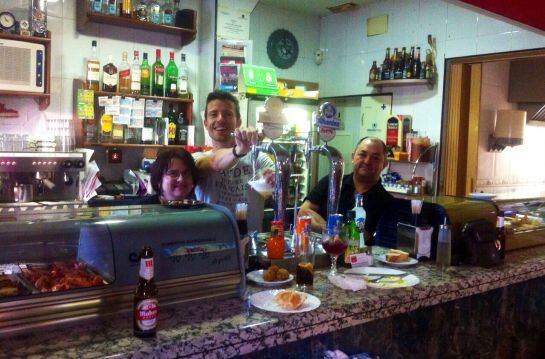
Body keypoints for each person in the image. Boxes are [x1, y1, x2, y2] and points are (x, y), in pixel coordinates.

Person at [193, 90, 274, 228]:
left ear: (238, 121)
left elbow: (273, 192)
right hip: (210, 243)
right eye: (214, 114)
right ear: (206, 123)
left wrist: (271, 181)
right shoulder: (197, 159)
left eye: (228, 114)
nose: (220, 119)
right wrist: (239, 150)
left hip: (249, 244)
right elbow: (214, 162)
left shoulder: (259, 159)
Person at [299, 137, 393, 243]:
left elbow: (358, 237)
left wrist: (320, 224)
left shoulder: (386, 202)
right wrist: (335, 228)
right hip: (319, 253)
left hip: (353, 259)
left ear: (384, 164)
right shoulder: (331, 181)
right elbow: (303, 213)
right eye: (362, 154)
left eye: (375, 158)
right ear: (353, 157)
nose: (367, 161)